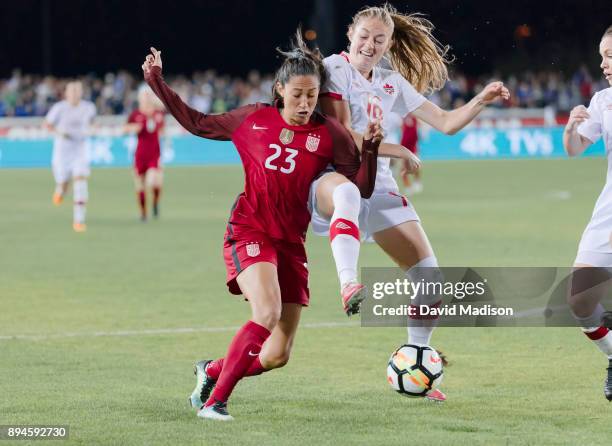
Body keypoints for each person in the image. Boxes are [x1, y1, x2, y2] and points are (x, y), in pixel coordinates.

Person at [142, 33, 382, 421]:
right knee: (266, 311)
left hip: (291, 242)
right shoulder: (253, 119)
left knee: (277, 355)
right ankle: (215, 403)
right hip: (250, 229)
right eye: (298, 95)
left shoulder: (330, 134)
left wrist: (369, 148)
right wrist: (157, 81)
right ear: (280, 90)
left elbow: (361, 188)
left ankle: (213, 370)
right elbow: (198, 123)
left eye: (312, 96)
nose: (305, 104)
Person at [316, 4, 510, 402]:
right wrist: (397, 147)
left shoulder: (390, 82)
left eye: (379, 39)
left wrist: (481, 99)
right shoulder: (333, 69)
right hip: (336, 178)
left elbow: (446, 122)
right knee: (348, 197)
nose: (370, 44)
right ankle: (348, 282)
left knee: (430, 279)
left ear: (388, 45)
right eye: (364, 35)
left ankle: (419, 364)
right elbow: (340, 138)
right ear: (350, 34)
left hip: (380, 184)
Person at [563, 25, 612, 401]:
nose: (603, 63)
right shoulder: (603, 101)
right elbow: (576, 149)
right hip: (608, 214)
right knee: (580, 298)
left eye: (610, 55)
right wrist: (570, 130)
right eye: (602, 56)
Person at [44, 81, 97, 232]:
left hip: (80, 148)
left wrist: (92, 129)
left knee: (80, 180)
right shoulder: (59, 108)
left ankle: (79, 220)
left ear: (81, 92)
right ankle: (60, 190)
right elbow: (47, 124)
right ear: (66, 93)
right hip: (63, 150)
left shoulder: (88, 107)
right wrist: (59, 132)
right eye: (71, 91)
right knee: (63, 181)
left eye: (77, 91)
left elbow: (93, 122)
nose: (74, 94)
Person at [124, 87, 165, 221]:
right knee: (140, 184)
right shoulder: (135, 114)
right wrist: (133, 128)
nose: (146, 98)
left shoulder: (158, 114)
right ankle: (143, 213)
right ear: (140, 98)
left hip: (154, 154)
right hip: (140, 154)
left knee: (153, 182)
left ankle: (155, 203)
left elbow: (162, 130)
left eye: (149, 95)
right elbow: (125, 128)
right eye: (144, 95)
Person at [400, 114, 423, 194]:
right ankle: (408, 186)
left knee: (416, 165)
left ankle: (417, 182)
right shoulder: (401, 117)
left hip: (413, 146)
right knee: (403, 167)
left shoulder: (415, 117)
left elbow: (419, 128)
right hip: (404, 146)